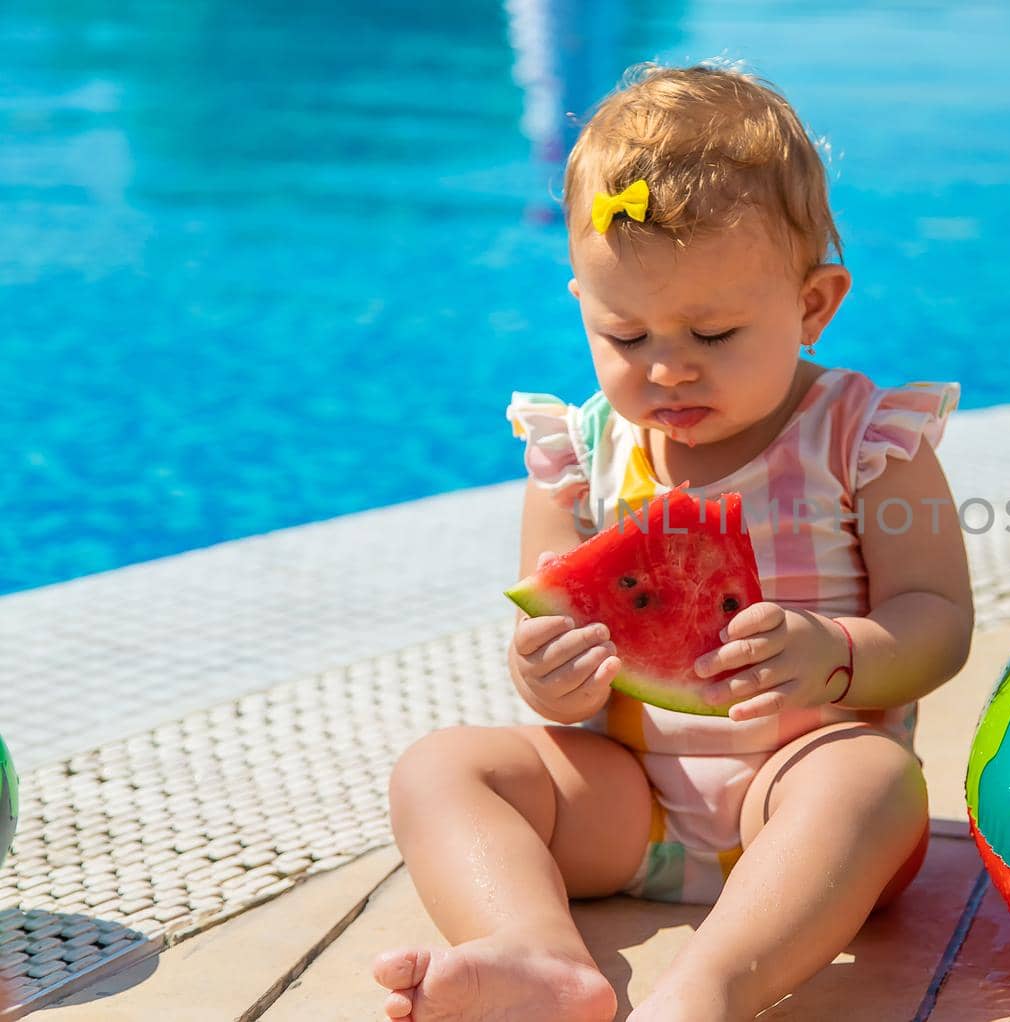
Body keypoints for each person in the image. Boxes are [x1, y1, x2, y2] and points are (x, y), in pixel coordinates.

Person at [372, 62, 973, 1022]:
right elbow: (547, 622)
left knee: (876, 778)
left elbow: (938, 623)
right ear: (581, 304)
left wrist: (840, 657)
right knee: (442, 768)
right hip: (629, 807)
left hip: (801, 795)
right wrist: (546, 678)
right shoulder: (580, 452)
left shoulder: (867, 439)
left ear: (814, 305)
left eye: (715, 332)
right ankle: (536, 953)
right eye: (624, 334)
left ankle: (713, 988)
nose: (667, 369)